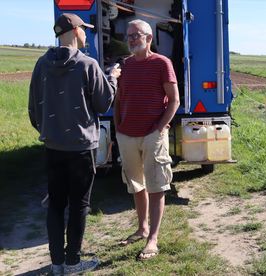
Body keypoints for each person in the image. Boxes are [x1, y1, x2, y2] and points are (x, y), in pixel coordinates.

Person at [28, 13, 121, 275]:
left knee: (56, 204)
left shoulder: (41, 64)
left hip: (52, 147)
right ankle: (73, 263)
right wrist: (112, 77)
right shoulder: (87, 64)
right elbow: (104, 104)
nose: (85, 35)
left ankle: (57, 263)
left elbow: (33, 109)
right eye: (84, 30)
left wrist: (50, 131)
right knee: (79, 205)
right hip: (81, 148)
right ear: (75, 31)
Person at [114, 19, 180, 260]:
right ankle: (142, 228)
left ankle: (153, 238)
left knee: (156, 185)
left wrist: (159, 128)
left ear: (149, 38)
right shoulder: (125, 66)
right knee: (136, 185)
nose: (131, 39)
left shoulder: (162, 63)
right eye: (128, 35)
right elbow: (119, 100)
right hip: (127, 135)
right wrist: (118, 128)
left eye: (136, 35)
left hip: (153, 134)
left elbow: (174, 100)